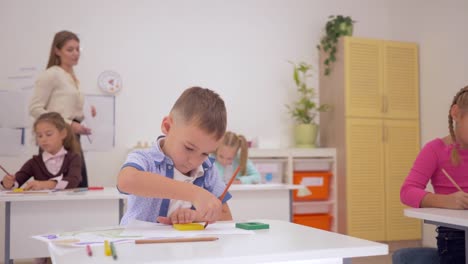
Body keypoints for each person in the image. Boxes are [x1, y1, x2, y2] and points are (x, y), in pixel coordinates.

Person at [118, 87, 233, 226]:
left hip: (179, 246)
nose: (194, 161)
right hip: (137, 243)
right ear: (167, 127)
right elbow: (126, 181)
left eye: (205, 153)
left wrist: (195, 216)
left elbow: (225, 216)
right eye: (189, 148)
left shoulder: (207, 169)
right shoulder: (146, 159)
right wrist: (194, 193)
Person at [400, 85, 468, 264]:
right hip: (456, 237)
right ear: (456, 113)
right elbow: (407, 191)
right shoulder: (435, 150)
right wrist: (447, 201)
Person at [29, 30, 96, 188]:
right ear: (57, 51)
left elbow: (65, 108)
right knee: (58, 186)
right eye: (70, 49)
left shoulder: (73, 77)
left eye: (77, 49)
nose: (75, 53)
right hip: (56, 139)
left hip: (73, 138)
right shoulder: (51, 75)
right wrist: (67, 124)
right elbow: (34, 108)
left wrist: (86, 113)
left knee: (78, 184)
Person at [1, 112, 82, 191]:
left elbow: (73, 181)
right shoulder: (34, 163)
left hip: (67, 204)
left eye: (49, 134)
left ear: (63, 134)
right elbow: (16, 182)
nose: (43, 139)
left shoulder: (74, 158)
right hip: (41, 205)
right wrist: (8, 183)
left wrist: (45, 184)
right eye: (39, 136)